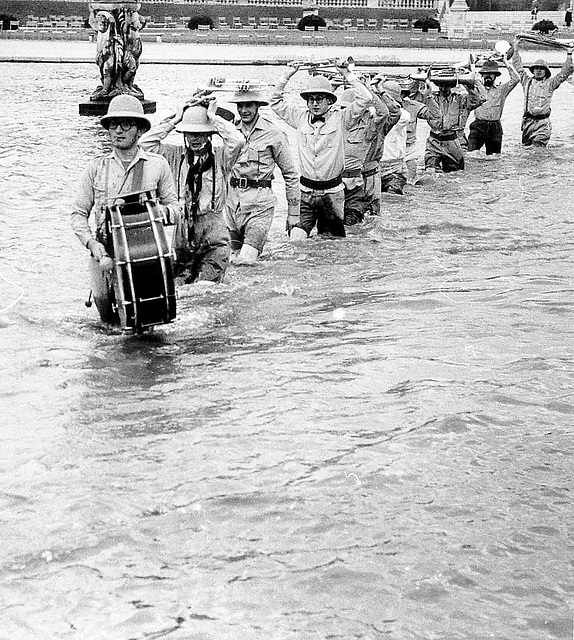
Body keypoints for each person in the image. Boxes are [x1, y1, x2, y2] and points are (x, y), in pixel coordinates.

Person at [71, 94, 180, 323]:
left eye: (126, 124)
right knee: (108, 326)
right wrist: (93, 244)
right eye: (113, 124)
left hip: (146, 255)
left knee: (149, 322)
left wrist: (159, 214)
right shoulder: (96, 168)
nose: (118, 130)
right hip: (104, 257)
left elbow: (176, 210)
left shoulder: (157, 166)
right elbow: (79, 214)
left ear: (140, 130)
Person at [139, 94, 244, 283]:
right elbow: (144, 144)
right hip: (182, 234)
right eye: (190, 133)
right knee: (178, 288)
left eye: (200, 133)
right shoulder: (174, 156)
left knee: (206, 287)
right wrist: (175, 120)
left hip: (213, 233)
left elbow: (237, 141)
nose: (195, 138)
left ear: (210, 135)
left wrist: (213, 118)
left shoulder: (221, 158)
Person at [270, 61, 372, 239]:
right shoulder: (299, 118)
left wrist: (347, 74)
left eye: (319, 99)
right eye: (311, 99)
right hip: (305, 192)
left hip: (332, 194)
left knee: (331, 244)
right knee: (296, 239)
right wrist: (288, 74)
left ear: (330, 101)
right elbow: (275, 102)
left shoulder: (342, 119)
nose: (314, 104)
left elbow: (365, 98)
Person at [225, 89, 300, 264]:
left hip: (260, 207)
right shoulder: (229, 131)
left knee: (246, 260)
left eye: (249, 105)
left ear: (258, 105)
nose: (244, 110)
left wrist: (293, 214)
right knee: (229, 262)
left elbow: (290, 175)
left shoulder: (274, 133)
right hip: (232, 206)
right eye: (240, 105)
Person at [338, 84, 398, 224]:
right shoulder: (338, 124)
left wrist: (372, 90)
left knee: (372, 216)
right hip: (346, 178)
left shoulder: (373, 125)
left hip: (370, 174)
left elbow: (392, 113)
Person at [512, 36, 574, 147]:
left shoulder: (551, 83)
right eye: (536, 68)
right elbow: (517, 66)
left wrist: (569, 54)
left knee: (538, 150)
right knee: (526, 152)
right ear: (533, 70)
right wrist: (516, 47)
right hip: (528, 122)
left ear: (546, 71)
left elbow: (565, 72)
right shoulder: (527, 81)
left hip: (542, 123)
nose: (539, 71)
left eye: (541, 68)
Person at [420, 74, 486, 179]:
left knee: (454, 176)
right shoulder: (430, 98)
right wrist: (421, 80)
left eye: (446, 85)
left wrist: (468, 83)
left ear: (451, 86)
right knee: (430, 173)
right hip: (434, 141)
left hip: (454, 141)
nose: (442, 88)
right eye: (440, 85)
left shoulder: (462, 99)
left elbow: (482, 98)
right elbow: (412, 97)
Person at [467, 57, 519, 156]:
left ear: (495, 76)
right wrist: (474, 63)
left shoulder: (502, 90)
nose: (488, 76)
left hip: (495, 127)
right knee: (472, 155)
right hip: (478, 126)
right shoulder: (476, 86)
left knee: (494, 157)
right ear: (482, 74)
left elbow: (516, 79)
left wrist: (505, 61)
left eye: (491, 74)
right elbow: (467, 78)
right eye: (486, 73)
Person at [378, 81, 411, 196]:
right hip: (374, 168)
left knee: (392, 199)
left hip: (394, 170)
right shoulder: (374, 113)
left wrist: (381, 92)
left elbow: (393, 111)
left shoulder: (403, 115)